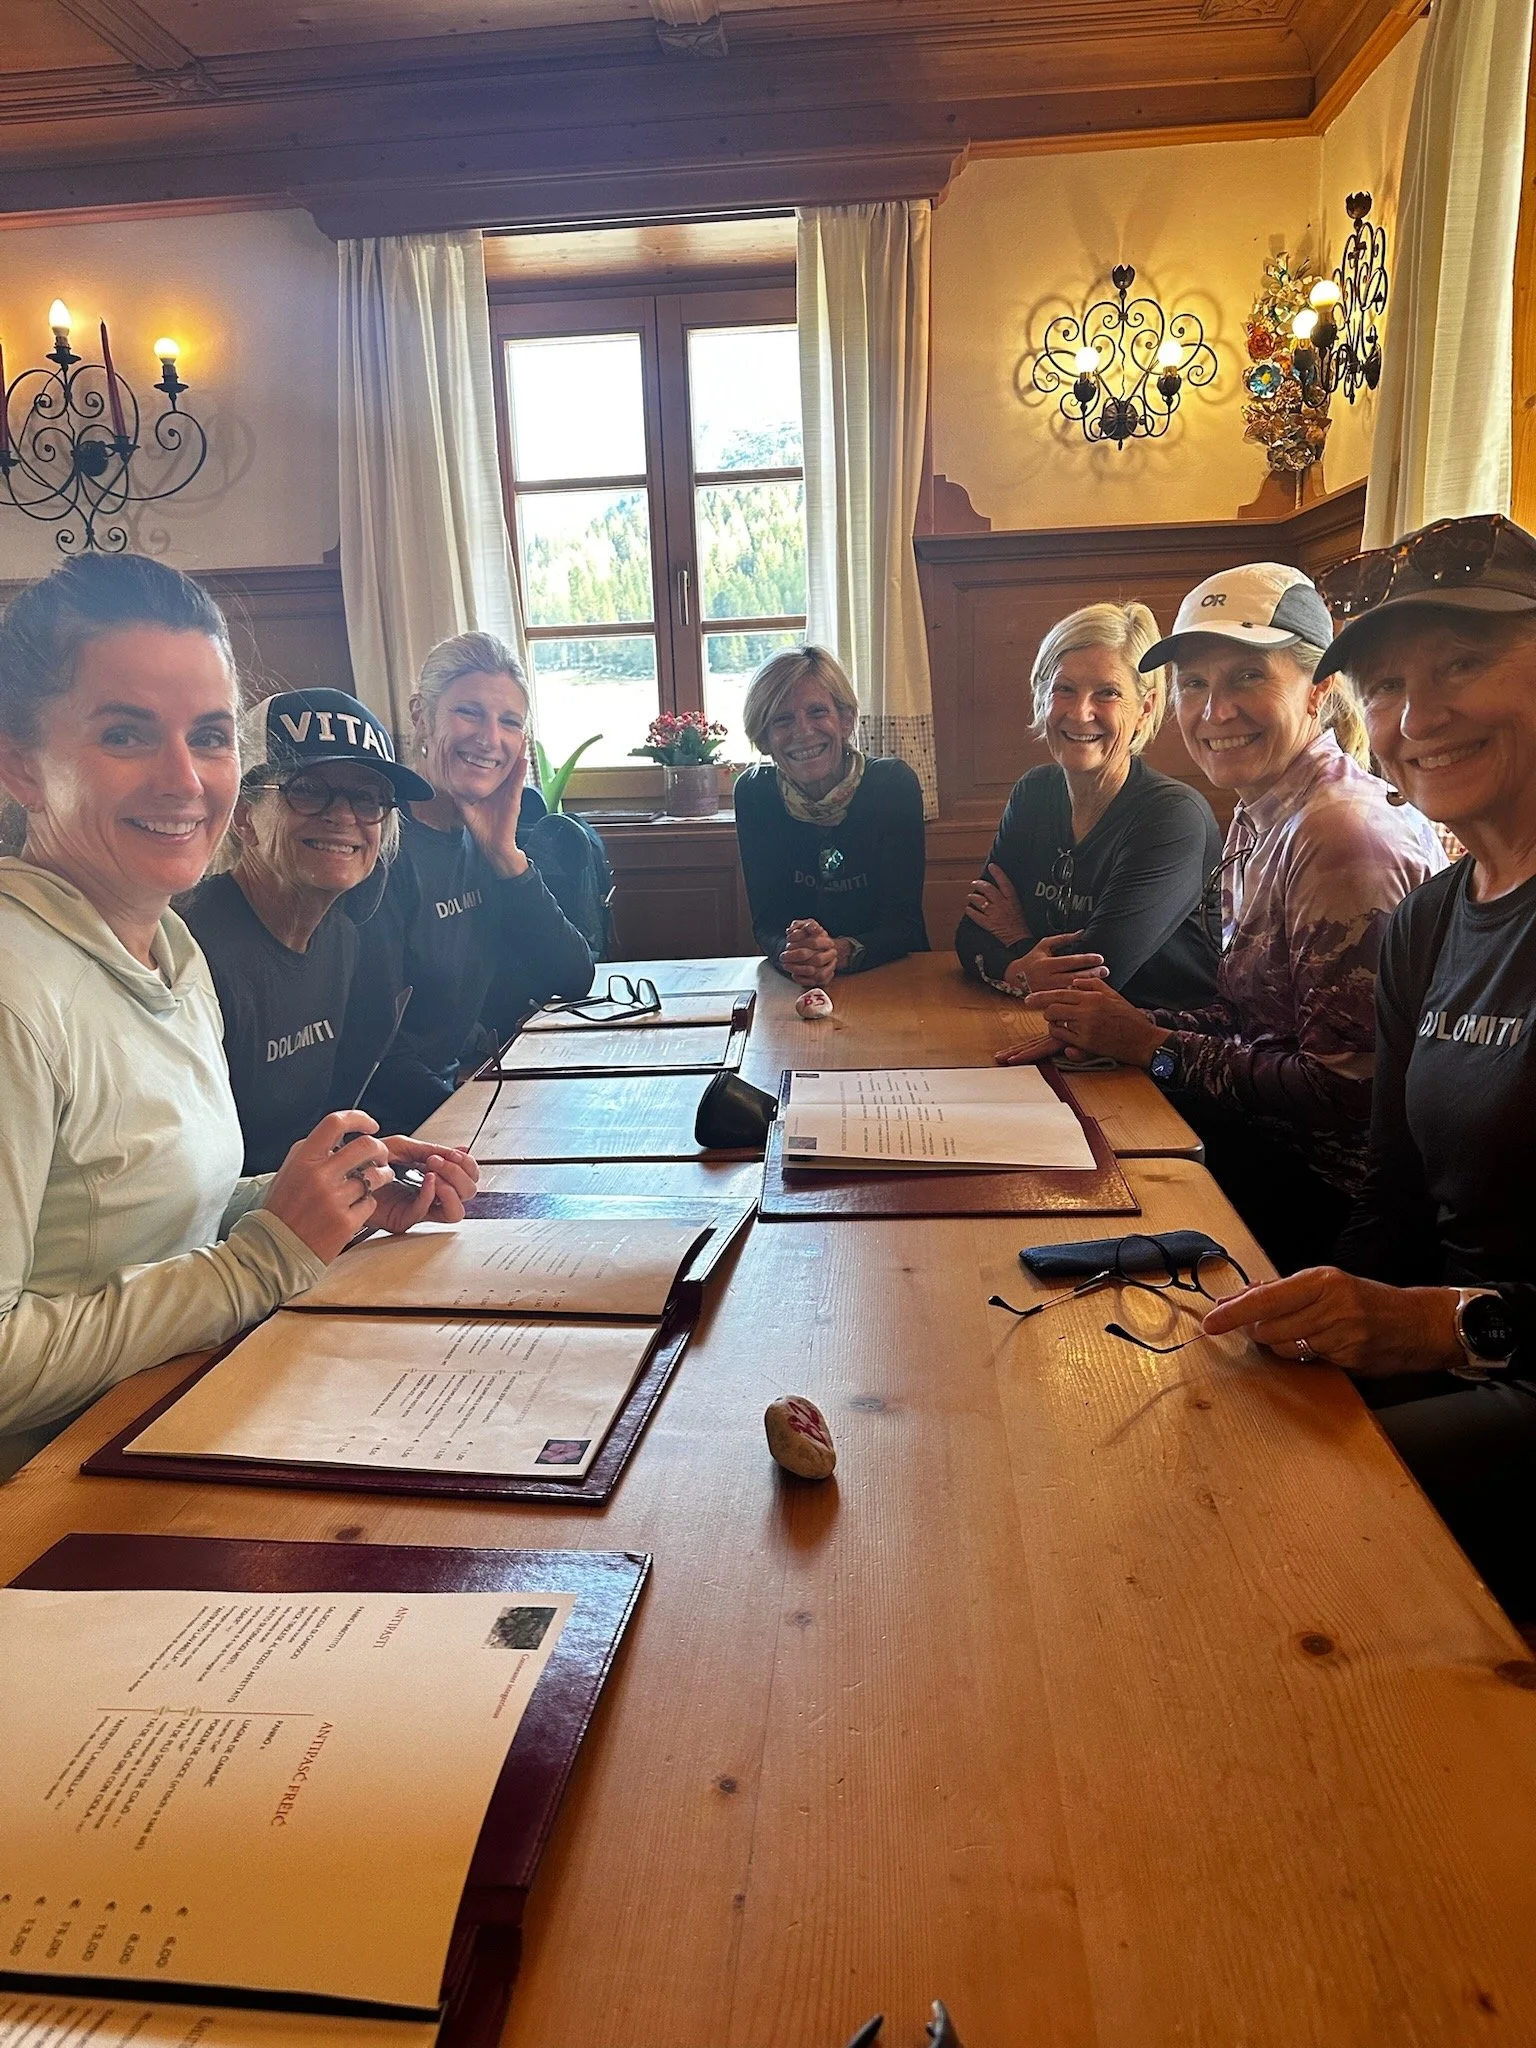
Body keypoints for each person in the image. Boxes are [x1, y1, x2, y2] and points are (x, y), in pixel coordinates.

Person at [0, 554, 478, 1480]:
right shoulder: (15, 993)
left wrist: (331, 1201)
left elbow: (160, 1224)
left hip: (184, 1421)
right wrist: (263, 1261)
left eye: (210, 736)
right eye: (126, 734)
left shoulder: (170, 951)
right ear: (20, 762)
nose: (185, 779)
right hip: (55, 1505)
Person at [1201, 515, 1536, 1616]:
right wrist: (1317, 1324)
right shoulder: (1432, 921)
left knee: (1258, 1521)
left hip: (1502, 1366)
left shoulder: (1349, 839)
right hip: (1456, 1358)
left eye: (1463, 662)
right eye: (1387, 684)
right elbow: (1391, 1195)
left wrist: (1436, 1324)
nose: (1417, 717)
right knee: (1195, 1424)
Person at [1000, 562, 1445, 1272]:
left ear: (1320, 688)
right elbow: (1252, 1021)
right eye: (1195, 683)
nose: (1214, 712)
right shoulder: (1261, 808)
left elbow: (1346, 1092)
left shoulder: (1339, 836)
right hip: (1270, 1153)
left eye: (1247, 677)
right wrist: (1115, 1030)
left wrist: (1152, 1044)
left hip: (1340, 1209)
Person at [344, 632, 595, 1133]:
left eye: (509, 722)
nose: (489, 738)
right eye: (469, 712)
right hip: (390, 1128)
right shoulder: (377, 845)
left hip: (455, 1099)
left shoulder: (485, 839)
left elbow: (571, 976)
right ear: (421, 715)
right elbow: (374, 1054)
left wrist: (505, 855)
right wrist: (477, 1120)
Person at [182, 688, 433, 1173]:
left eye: (366, 797)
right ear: (243, 816)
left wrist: (368, 1164)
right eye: (309, 789)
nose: (343, 816)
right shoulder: (188, 951)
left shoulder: (343, 938)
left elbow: (306, 1141)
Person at [955, 600, 1220, 1008]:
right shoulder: (1034, 793)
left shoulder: (1173, 816)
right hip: (1049, 1025)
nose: (1080, 714)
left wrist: (1017, 939)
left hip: (1155, 1039)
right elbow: (971, 935)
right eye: (1064, 689)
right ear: (1042, 697)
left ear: (1145, 709)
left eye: (1107, 693)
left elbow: (1094, 974)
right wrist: (1022, 970)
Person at [734, 645, 928, 988]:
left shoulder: (892, 784)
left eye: (817, 712)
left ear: (846, 721)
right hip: (798, 980)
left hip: (891, 977)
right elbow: (767, 924)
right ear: (764, 739)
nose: (803, 731)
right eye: (782, 719)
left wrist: (838, 952)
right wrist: (796, 955)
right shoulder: (754, 793)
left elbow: (904, 926)